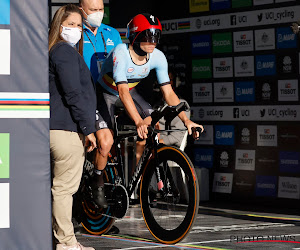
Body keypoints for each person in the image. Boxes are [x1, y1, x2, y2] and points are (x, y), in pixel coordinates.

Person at [92, 13, 204, 207]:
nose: (152, 41)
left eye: (156, 36)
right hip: (106, 93)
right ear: (134, 37)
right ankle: (97, 180)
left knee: (155, 122)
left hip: (130, 91)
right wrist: (138, 122)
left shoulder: (158, 57)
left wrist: (187, 121)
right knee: (106, 141)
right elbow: (122, 92)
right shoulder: (121, 52)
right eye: (147, 36)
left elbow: (169, 94)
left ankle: (148, 179)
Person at [49, 4, 97, 250]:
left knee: (61, 189)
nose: (76, 29)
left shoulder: (58, 51)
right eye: (71, 24)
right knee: (64, 190)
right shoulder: (64, 52)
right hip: (66, 130)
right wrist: (89, 129)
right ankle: (66, 243)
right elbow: (73, 94)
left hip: (60, 128)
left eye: (79, 25)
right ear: (59, 25)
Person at [79, 0, 122, 83]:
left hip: (109, 90)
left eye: (101, 9)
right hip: (84, 91)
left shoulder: (112, 33)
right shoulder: (75, 33)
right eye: (93, 10)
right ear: (81, 10)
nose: (98, 14)